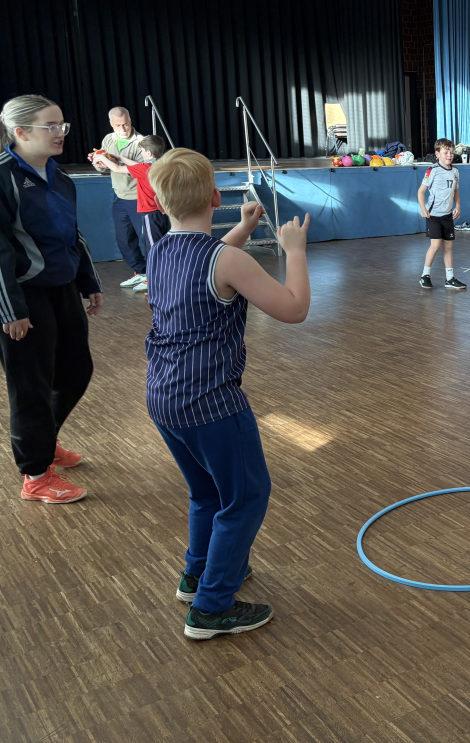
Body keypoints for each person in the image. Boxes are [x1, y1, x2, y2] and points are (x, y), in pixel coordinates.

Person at [144, 147, 311, 639]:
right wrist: (295, 251)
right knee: (247, 497)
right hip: (212, 403)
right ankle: (212, 608)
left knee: (207, 493)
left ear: (158, 201)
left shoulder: (159, 250)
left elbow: (214, 260)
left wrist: (243, 227)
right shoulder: (228, 260)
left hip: (163, 397)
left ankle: (197, 577)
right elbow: (294, 309)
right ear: (216, 197)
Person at [0, 95, 103, 504]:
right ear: (21, 132)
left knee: (75, 371)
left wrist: (89, 281)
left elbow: (72, 235)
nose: (61, 133)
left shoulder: (60, 177)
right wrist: (11, 309)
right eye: (51, 126)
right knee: (31, 384)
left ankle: (44, 440)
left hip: (60, 287)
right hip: (15, 292)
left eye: (63, 125)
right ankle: (36, 475)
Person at [92, 135, 171, 289]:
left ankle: (154, 280)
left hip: (149, 213)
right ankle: (155, 276)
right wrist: (120, 157)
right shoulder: (160, 166)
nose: (141, 154)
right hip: (161, 212)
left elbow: (116, 169)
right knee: (158, 243)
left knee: (153, 247)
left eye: (142, 151)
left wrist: (101, 157)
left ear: (148, 153)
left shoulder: (144, 168)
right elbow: (138, 165)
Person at [93, 107, 150, 290]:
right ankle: (141, 272)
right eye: (118, 125)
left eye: (125, 124)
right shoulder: (108, 139)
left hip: (138, 197)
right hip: (120, 196)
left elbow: (142, 171)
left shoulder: (141, 142)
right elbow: (102, 168)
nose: (123, 128)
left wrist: (113, 161)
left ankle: (154, 276)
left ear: (130, 121)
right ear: (111, 124)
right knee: (124, 240)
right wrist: (99, 161)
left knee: (147, 240)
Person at [418, 139, 467, 291]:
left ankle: (450, 278)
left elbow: (455, 191)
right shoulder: (432, 171)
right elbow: (421, 191)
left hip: (447, 215)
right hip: (433, 215)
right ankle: (425, 276)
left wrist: (458, 206)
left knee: (448, 246)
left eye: (451, 152)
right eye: (446, 153)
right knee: (435, 245)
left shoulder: (455, 171)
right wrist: (423, 208)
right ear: (438, 154)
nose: (449, 155)